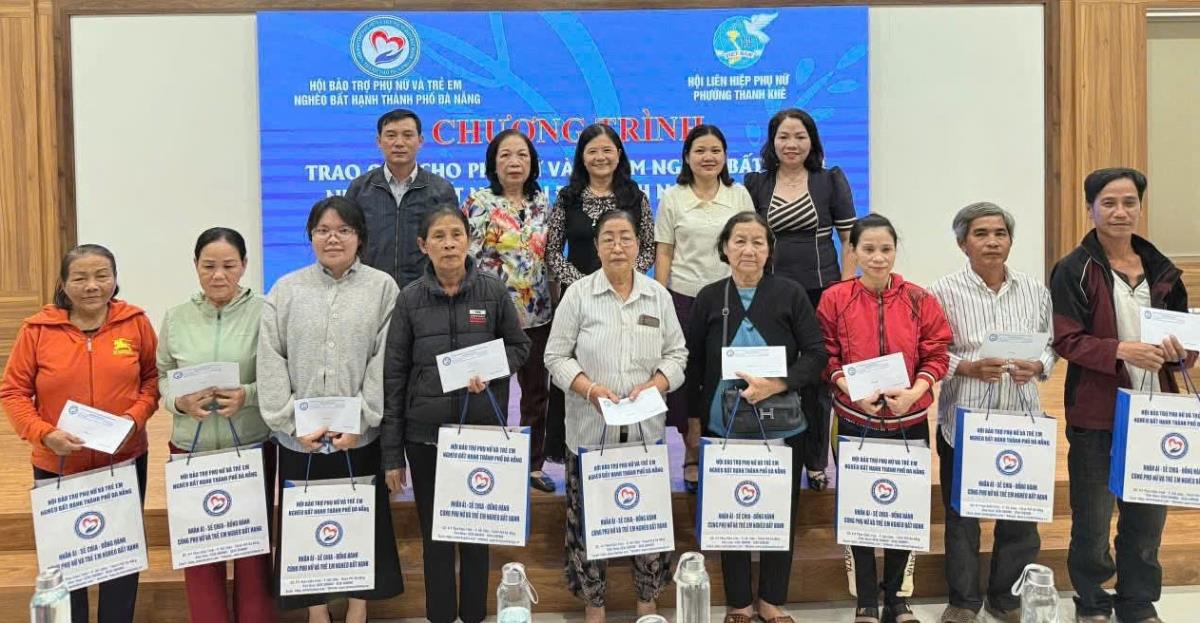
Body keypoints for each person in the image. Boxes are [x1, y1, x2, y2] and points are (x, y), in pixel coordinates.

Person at [1050, 167, 1194, 623]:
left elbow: (1186, 343)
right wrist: (1120, 349)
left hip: (1156, 412)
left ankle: (1137, 601)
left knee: (1147, 518)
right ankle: (1092, 601)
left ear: (1139, 208)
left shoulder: (1162, 270)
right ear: (1090, 209)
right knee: (1092, 521)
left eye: (1129, 202)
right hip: (1097, 412)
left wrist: (1182, 353)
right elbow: (1066, 340)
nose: (1120, 212)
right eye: (1108, 203)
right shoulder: (1073, 269)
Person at [258, 196, 404, 623]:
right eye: (323, 230)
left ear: (360, 237)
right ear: (310, 236)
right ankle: (316, 610)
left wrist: (362, 418)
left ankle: (358, 607)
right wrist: (289, 421)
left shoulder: (382, 288)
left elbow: (384, 359)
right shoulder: (286, 289)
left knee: (361, 520)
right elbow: (270, 358)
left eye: (344, 230)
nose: (333, 238)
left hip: (358, 434)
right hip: (299, 437)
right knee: (306, 523)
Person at [382, 206, 531, 623]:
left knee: (476, 533)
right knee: (436, 536)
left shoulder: (492, 291)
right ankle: (441, 616)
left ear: (469, 240)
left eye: (456, 235)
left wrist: (490, 368)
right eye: (439, 236)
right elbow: (394, 374)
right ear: (423, 245)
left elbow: (520, 347)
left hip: (479, 433)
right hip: (425, 436)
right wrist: (392, 454)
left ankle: (475, 615)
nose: (448, 244)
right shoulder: (409, 299)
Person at [1, 244, 159, 623]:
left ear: (115, 280)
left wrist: (133, 420)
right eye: (80, 277)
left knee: (120, 559)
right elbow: (13, 392)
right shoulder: (37, 331)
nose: (92, 285)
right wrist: (43, 434)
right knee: (68, 560)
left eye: (102, 276)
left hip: (123, 460)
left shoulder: (135, 322)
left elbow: (152, 380)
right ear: (63, 284)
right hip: (57, 463)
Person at [544, 210, 688, 623]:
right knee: (588, 523)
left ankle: (647, 603)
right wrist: (589, 389)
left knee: (647, 520)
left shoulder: (657, 295)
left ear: (639, 245)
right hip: (591, 434)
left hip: (644, 435)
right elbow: (555, 356)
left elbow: (677, 354)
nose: (618, 246)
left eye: (626, 237)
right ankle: (595, 606)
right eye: (608, 238)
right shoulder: (578, 295)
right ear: (597, 246)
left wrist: (657, 383)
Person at [685, 212, 827, 623]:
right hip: (724, 424)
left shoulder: (790, 293)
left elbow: (816, 353)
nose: (749, 250)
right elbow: (694, 367)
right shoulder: (710, 297)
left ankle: (771, 599)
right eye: (740, 241)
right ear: (724, 248)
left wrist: (778, 384)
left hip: (783, 425)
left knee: (781, 509)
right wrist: (692, 424)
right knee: (731, 510)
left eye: (758, 242)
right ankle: (740, 602)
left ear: (770, 250)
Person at [815, 213, 952, 623]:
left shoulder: (919, 299)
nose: (878, 257)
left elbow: (937, 353)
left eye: (886, 249)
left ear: (895, 251)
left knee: (904, 506)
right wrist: (850, 390)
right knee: (858, 507)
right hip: (853, 419)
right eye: (869, 249)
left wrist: (914, 393)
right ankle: (865, 600)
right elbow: (825, 354)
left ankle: (897, 598)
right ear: (853, 251)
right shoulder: (835, 298)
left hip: (908, 420)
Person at [928, 204, 1056, 623]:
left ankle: (1005, 599)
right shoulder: (941, 292)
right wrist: (966, 367)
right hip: (964, 421)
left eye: (1000, 233)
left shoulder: (1034, 290)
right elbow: (929, 351)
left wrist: (1038, 365)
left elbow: (1052, 344)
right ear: (962, 243)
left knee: (1020, 517)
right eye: (981, 234)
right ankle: (963, 602)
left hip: (1021, 419)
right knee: (961, 517)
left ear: (1010, 241)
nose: (992, 242)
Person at [155, 227, 275, 623]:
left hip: (250, 447)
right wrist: (178, 402)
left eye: (228, 265)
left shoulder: (265, 312)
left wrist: (247, 395)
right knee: (200, 553)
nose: (218, 275)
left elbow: (280, 375)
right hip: (191, 450)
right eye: (208, 266)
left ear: (244, 265)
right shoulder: (176, 317)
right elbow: (161, 376)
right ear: (195, 266)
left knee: (253, 553)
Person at [745, 108, 857, 492]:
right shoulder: (756, 183)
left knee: (817, 381)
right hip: (771, 295)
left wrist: (845, 290)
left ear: (812, 141)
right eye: (783, 137)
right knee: (774, 373)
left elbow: (849, 239)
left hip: (822, 293)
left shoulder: (830, 180)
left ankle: (815, 461)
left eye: (799, 136)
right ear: (772, 142)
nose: (791, 144)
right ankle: (775, 450)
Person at [543, 123, 656, 463]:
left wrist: (622, 277)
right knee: (575, 368)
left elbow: (648, 248)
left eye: (607, 150)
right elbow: (551, 252)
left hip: (626, 294)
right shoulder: (567, 198)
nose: (600, 157)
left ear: (619, 154)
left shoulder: (635, 197)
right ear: (582, 157)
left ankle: (629, 447)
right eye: (592, 151)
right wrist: (584, 286)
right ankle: (573, 452)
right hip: (577, 299)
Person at [656, 124, 755, 493]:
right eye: (700, 150)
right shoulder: (673, 197)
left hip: (731, 296)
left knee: (726, 373)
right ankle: (692, 450)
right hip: (684, 297)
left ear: (725, 156)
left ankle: (730, 447)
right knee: (687, 377)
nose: (708, 157)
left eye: (715, 150)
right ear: (687, 157)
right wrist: (662, 298)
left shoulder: (739, 194)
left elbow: (752, 244)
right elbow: (664, 252)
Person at [463, 129, 556, 492]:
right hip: (492, 316)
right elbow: (468, 260)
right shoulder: (479, 201)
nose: (514, 162)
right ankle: (492, 463)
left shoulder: (542, 202)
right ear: (493, 163)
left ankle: (533, 465)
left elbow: (548, 258)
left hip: (538, 313)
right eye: (505, 155)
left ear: (532, 162)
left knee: (536, 394)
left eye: (522, 155)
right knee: (491, 392)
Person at [345, 108, 458, 287]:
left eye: (407, 135)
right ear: (379, 141)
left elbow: (451, 242)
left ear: (420, 141)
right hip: (370, 288)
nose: (399, 143)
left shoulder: (441, 190)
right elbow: (348, 240)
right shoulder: (360, 189)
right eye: (391, 135)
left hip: (426, 289)